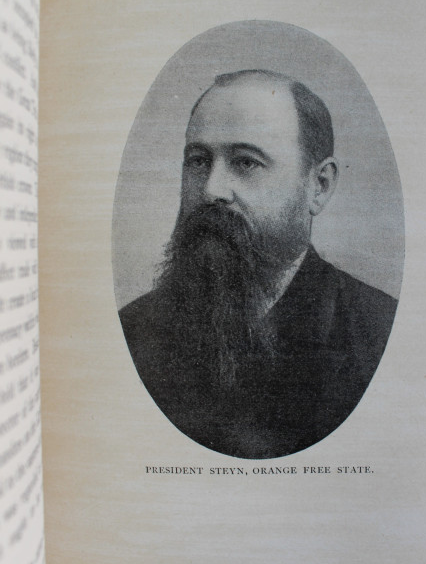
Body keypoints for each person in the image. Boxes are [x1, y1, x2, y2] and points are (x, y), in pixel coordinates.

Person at [119, 69, 397, 458]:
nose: (212, 189)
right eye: (198, 161)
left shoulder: (379, 336)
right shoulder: (131, 332)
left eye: (246, 163)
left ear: (319, 186)